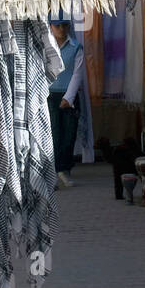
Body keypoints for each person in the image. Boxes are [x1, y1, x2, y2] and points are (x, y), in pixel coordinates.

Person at [48, 19, 87, 188]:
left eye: (64, 25)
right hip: (49, 94)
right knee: (53, 135)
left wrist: (68, 98)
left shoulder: (76, 47)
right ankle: (53, 172)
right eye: (57, 26)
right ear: (51, 27)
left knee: (69, 135)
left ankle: (64, 170)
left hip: (69, 95)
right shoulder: (46, 47)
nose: (61, 29)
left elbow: (77, 74)